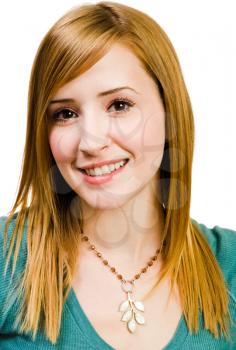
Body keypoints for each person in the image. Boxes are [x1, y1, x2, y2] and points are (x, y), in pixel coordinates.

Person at [0, 1, 235, 349]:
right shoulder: (8, 261)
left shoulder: (229, 266)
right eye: (65, 113)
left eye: (120, 105)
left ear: (170, 110)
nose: (91, 142)